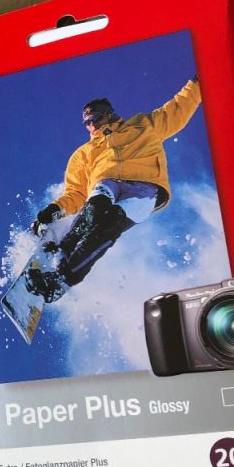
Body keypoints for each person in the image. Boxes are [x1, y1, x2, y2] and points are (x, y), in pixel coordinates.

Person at [26, 76, 201, 302]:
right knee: (95, 207)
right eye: (88, 122)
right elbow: (76, 193)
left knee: (109, 228)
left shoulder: (143, 125)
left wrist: (198, 84)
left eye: (96, 118)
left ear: (109, 114)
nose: (93, 125)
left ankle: (62, 281)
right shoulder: (84, 154)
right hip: (107, 183)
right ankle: (62, 251)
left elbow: (178, 108)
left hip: (145, 188)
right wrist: (54, 210)